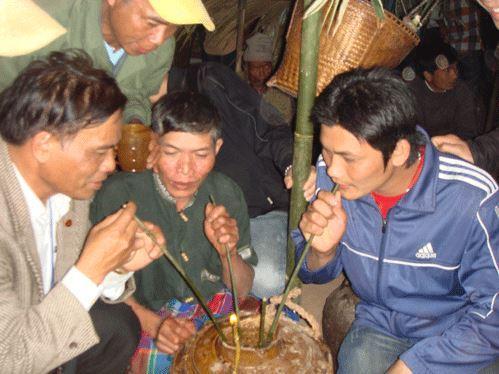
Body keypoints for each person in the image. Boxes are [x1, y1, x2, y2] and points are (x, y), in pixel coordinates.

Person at [294, 67, 498, 373]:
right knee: (359, 359)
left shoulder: (471, 198)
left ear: (400, 152)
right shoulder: (330, 176)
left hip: (456, 331)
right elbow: (311, 274)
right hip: (379, 326)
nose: (332, 170)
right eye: (326, 150)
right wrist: (321, 252)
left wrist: (413, 366)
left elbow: (493, 316)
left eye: (349, 158)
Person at [0, 50, 166, 373]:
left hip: (37, 319)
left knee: (119, 327)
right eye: (100, 151)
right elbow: (10, 358)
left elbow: (66, 277)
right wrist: (92, 268)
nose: (110, 164)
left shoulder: (70, 187)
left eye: (112, 149)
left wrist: (116, 265)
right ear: (43, 144)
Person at [90, 91, 257, 372]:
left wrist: (227, 251)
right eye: (171, 152)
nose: (185, 169)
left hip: (213, 305)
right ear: (153, 146)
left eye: (201, 155)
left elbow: (242, 288)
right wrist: (155, 325)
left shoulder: (226, 193)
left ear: (217, 149)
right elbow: (99, 286)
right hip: (143, 313)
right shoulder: (118, 195)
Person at [165, 62, 315, 298]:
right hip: (191, 221)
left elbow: (270, 129)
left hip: (258, 211)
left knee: (266, 278)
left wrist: (291, 164)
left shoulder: (208, 81)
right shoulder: (131, 114)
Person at [0, 0, 215, 125]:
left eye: (173, 27)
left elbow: (133, 93)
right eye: (152, 23)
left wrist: (133, 124)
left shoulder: (161, 49)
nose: (160, 39)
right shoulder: (38, 19)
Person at [408, 40, 484, 139]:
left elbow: (468, 131)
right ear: (428, 76)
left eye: (455, 67)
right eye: (447, 70)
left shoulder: (461, 90)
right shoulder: (413, 93)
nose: (455, 75)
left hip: (454, 146)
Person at [243, 32, 296, 125]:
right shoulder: (238, 90)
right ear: (246, 68)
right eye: (256, 67)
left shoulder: (282, 97)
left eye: (266, 66)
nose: (262, 72)